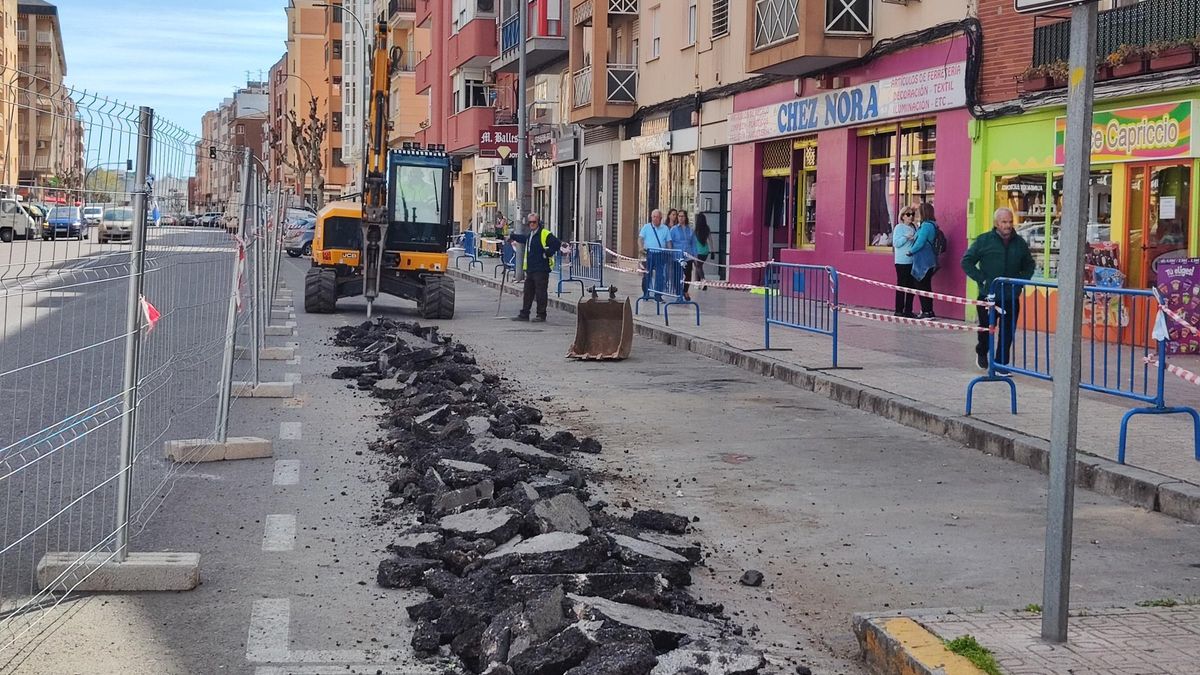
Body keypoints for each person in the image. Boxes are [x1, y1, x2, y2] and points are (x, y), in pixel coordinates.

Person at [961, 207, 1036, 370]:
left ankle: (1001, 364)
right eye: (1004, 222)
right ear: (996, 223)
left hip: (1010, 295)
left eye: (1010, 222)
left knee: (1007, 332)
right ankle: (982, 352)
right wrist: (983, 280)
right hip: (988, 296)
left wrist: (1020, 281)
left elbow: (1030, 265)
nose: (1008, 225)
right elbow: (966, 261)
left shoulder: (1019, 243)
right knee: (986, 330)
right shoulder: (984, 240)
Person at [508, 212, 564, 323]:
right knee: (528, 292)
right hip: (531, 269)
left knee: (540, 293)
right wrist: (512, 236)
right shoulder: (531, 234)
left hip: (541, 269)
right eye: (530, 222)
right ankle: (524, 314)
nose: (532, 224)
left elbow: (557, 243)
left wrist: (548, 253)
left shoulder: (544, 233)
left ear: (538, 222)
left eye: (534, 222)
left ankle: (541, 314)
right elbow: (525, 239)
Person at [908, 202, 939, 319]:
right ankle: (929, 311)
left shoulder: (926, 226)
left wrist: (910, 251)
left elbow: (920, 242)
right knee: (926, 285)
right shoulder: (932, 225)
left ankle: (926, 311)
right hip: (929, 259)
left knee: (921, 285)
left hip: (923, 260)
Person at [892, 206, 918, 318]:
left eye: (912, 214)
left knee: (911, 286)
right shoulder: (899, 227)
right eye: (908, 214)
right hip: (902, 261)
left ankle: (908, 310)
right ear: (902, 216)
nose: (910, 216)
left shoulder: (914, 227)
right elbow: (896, 243)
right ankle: (898, 310)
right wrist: (906, 238)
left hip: (913, 260)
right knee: (901, 285)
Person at [639, 209, 670, 301]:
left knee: (660, 275)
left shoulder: (665, 228)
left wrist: (670, 251)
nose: (655, 219)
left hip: (660, 254)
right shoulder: (646, 227)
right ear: (651, 217)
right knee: (647, 274)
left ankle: (658, 295)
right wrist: (641, 248)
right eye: (654, 217)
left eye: (657, 217)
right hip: (649, 254)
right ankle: (646, 293)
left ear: (661, 218)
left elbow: (669, 242)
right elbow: (640, 238)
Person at [670, 209, 697, 300]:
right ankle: (678, 292)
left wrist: (695, 255)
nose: (681, 218)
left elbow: (693, 243)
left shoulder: (690, 230)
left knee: (688, 275)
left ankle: (685, 291)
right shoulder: (673, 230)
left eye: (683, 216)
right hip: (677, 257)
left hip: (688, 257)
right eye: (679, 216)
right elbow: (670, 242)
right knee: (677, 275)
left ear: (685, 217)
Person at [693, 213, 711, 291]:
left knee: (698, 266)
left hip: (697, 251)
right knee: (699, 266)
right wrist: (712, 250)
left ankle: (703, 281)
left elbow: (693, 241)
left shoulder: (696, 230)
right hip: (705, 251)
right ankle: (698, 283)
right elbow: (710, 239)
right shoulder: (707, 228)